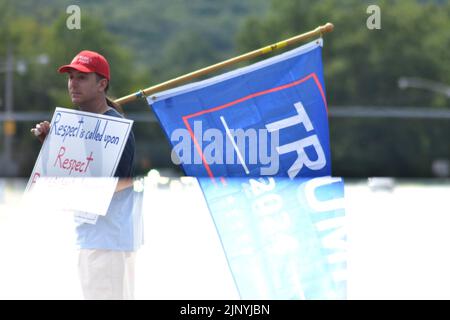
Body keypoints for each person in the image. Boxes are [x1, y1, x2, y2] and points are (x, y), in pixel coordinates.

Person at [31, 50, 143, 300]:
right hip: (93, 239)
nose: (73, 83)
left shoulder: (115, 127)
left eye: (82, 78)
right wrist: (50, 144)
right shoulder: (77, 126)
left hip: (110, 242)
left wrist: (77, 189)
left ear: (102, 84)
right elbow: (65, 176)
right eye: (71, 77)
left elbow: (124, 183)